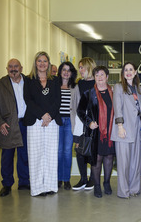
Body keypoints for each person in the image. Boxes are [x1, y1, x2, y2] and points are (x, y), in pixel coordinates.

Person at [23, 51, 62, 196]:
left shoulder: (55, 80)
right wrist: (42, 115)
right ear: (35, 63)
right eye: (39, 61)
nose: (42, 64)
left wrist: (49, 116)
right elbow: (28, 100)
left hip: (52, 121)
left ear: (48, 63)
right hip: (35, 121)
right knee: (36, 155)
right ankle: (38, 187)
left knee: (51, 154)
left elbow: (57, 100)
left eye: (45, 61)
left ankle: (51, 186)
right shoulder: (28, 80)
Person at [0, 59, 29, 197]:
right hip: (8, 125)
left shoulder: (29, 81)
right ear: (7, 68)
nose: (13, 69)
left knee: (24, 154)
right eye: (11, 67)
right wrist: (0, 122)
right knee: (7, 156)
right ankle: (7, 184)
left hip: (26, 123)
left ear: (21, 68)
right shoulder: (0, 84)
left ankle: (24, 182)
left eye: (16, 66)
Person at [77, 66, 115, 198]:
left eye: (102, 75)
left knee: (109, 157)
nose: (99, 77)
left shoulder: (114, 93)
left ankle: (107, 183)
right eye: (97, 75)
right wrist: (89, 122)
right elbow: (80, 111)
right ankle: (97, 186)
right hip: (95, 133)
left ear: (107, 77)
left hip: (111, 132)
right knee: (97, 159)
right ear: (94, 77)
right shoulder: (88, 93)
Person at [111, 62, 141, 199]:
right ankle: (123, 191)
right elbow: (117, 107)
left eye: (131, 69)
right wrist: (120, 126)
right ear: (123, 73)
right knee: (123, 163)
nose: (128, 72)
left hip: (137, 128)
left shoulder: (138, 88)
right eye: (126, 70)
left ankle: (134, 189)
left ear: (135, 72)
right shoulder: (118, 87)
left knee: (136, 162)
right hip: (124, 128)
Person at [71, 57, 96, 191]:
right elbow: (75, 106)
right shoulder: (78, 84)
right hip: (81, 123)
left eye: (82, 67)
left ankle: (93, 178)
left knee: (93, 152)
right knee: (80, 150)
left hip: (95, 123)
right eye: (79, 67)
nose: (80, 70)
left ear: (89, 67)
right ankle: (83, 179)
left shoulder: (98, 82)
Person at [57, 62, 77, 190]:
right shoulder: (54, 85)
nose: (66, 72)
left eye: (68, 70)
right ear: (60, 71)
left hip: (70, 121)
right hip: (57, 122)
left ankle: (66, 179)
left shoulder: (75, 87)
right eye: (64, 70)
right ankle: (58, 178)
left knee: (67, 152)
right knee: (58, 152)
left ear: (71, 73)